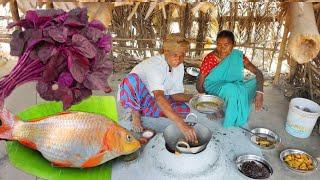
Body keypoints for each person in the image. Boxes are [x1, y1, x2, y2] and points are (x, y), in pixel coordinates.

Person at [119, 34, 198, 143]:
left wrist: (194, 98)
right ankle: (135, 113)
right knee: (131, 79)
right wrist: (181, 124)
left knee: (184, 110)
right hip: (139, 97)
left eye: (182, 55)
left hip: (152, 100)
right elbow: (159, 96)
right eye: (175, 54)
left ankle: (145, 112)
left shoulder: (179, 67)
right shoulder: (155, 65)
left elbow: (175, 95)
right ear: (166, 51)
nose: (178, 59)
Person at [196, 30, 264, 127]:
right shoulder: (210, 58)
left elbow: (259, 73)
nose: (222, 49)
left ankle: (230, 106)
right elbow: (200, 80)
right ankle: (229, 118)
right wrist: (204, 95)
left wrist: (260, 93)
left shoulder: (238, 57)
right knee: (232, 89)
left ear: (234, 44)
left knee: (254, 83)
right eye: (219, 45)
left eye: (226, 45)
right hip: (214, 88)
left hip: (234, 85)